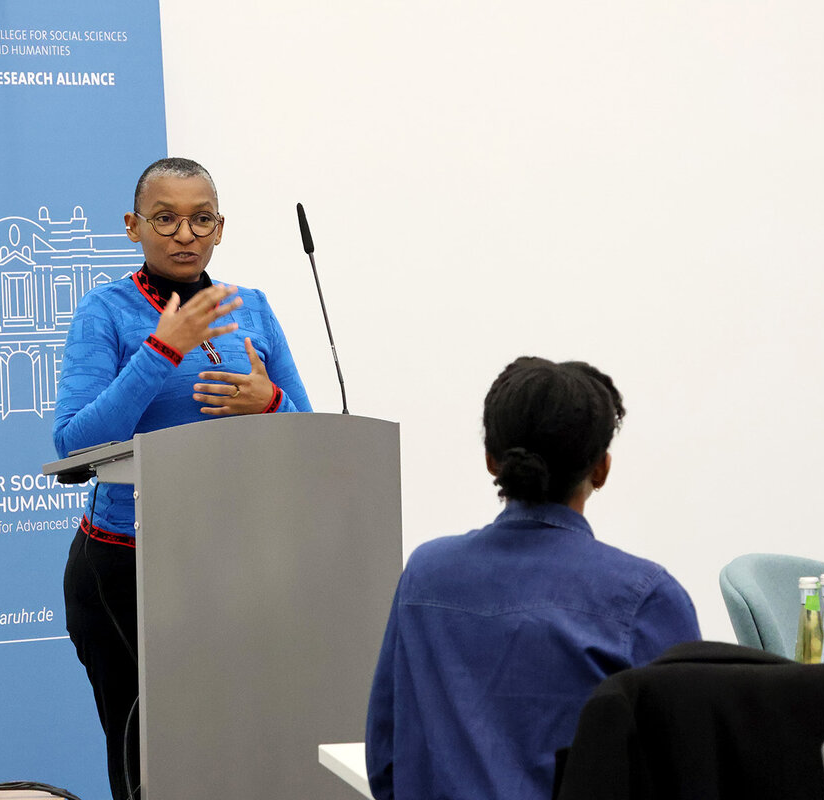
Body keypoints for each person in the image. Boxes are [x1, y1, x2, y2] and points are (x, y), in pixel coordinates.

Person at [53, 157, 311, 799]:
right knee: (154, 760)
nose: (184, 234)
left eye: (200, 219)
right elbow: (73, 443)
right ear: (133, 226)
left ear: (220, 228)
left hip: (231, 566)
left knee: (234, 751)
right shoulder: (105, 312)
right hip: (127, 568)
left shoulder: (252, 307)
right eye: (165, 218)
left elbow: (309, 432)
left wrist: (269, 403)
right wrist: (161, 350)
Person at [365, 356, 699, 800]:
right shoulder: (647, 599)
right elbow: (689, 773)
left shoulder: (425, 575)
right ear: (601, 468)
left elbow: (385, 760)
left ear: (491, 461)